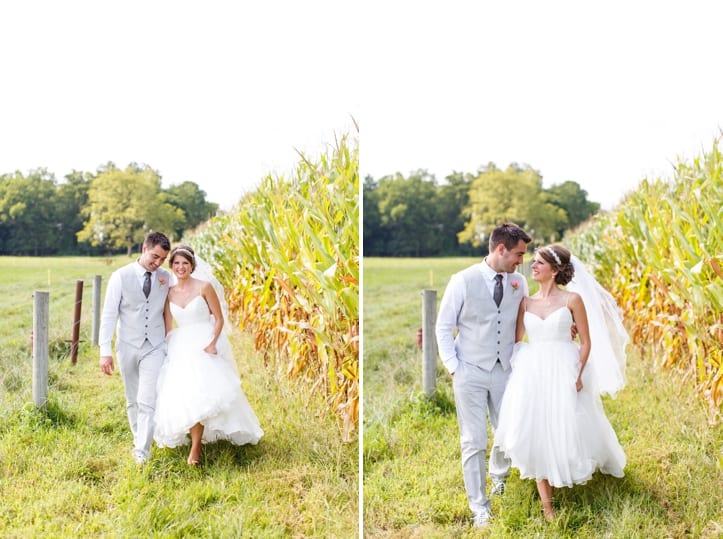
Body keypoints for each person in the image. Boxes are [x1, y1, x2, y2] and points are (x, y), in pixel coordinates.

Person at [493, 245, 627, 522]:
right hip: (533, 370)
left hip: (564, 366)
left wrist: (576, 375)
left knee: (565, 426)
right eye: (533, 261)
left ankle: (563, 469)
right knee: (536, 430)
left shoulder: (572, 300)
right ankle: (547, 507)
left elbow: (587, 341)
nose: (532, 265)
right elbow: (518, 340)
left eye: (539, 262)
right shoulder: (525, 303)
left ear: (554, 270)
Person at [435, 223, 532, 528]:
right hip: (470, 371)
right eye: (518, 254)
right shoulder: (462, 281)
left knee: (506, 433)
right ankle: (479, 506)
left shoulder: (519, 282)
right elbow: (443, 326)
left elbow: (524, 318)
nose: (521, 261)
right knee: (473, 441)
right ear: (500, 249)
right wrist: (454, 366)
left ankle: (499, 477)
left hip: (505, 370)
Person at [153, 244, 263, 466]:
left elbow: (219, 318)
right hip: (181, 344)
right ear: (171, 265)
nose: (181, 267)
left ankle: (195, 449)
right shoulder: (169, 292)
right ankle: (194, 439)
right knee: (187, 394)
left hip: (204, 342)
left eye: (185, 263)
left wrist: (212, 343)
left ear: (192, 265)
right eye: (176, 263)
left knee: (203, 393)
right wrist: (168, 347)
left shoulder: (204, 287)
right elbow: (168, 324)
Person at [99, 231, 172, 465]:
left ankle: (142, 451)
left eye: (162, 259)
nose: (158, 263)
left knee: (147, 398)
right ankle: (137, 438)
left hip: (155, 345)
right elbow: (109, 315)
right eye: (155, 257)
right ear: (144, 249)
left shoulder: (165, 277)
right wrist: (105, 351)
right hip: (128, 345)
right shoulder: (120, 276)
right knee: (132, 398)